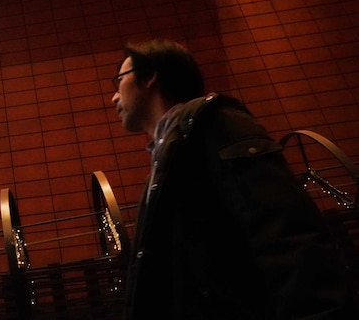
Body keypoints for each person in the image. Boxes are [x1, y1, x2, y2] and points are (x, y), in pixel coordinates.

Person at [111, 39, 357, 320]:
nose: (114, 97)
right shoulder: (165, 163)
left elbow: (284, 231)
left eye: (118, 80)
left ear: (150, 76)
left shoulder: (215, 123)